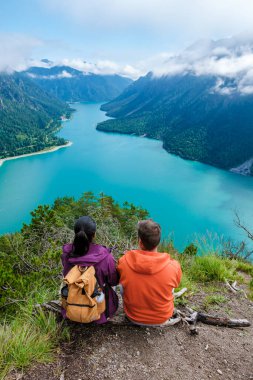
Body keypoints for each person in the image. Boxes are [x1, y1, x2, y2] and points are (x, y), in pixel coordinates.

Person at [117, 219, 182, 326]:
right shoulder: (173, 266)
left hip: (133, 316)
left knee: (123, 283)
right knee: (171, 283)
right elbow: (176, 284)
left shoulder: (124, 261)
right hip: (162, 317)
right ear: (158, 242)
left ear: (140, 242)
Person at [61, 216, 119, 323]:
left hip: (72, 306)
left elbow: (66, 275)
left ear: (75, 233)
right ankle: (104, 311)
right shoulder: (105, 257)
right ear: (94, 234)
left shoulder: (66, 254)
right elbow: (113, 280)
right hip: (97, 310)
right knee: (110, 284)